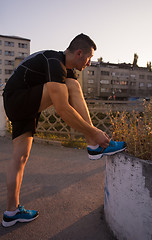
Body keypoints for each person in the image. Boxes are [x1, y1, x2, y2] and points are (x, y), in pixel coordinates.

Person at [2, 33, 126, 227]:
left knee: (20, 158)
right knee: (72, 85)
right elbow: (62, 109)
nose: (90, 63)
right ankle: (93, 143)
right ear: (79, 53)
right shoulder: (54, 61)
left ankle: (11, 212)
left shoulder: (65, 69)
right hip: (18, 99)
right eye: (89, 57)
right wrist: (94, 132)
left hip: (20, 105)